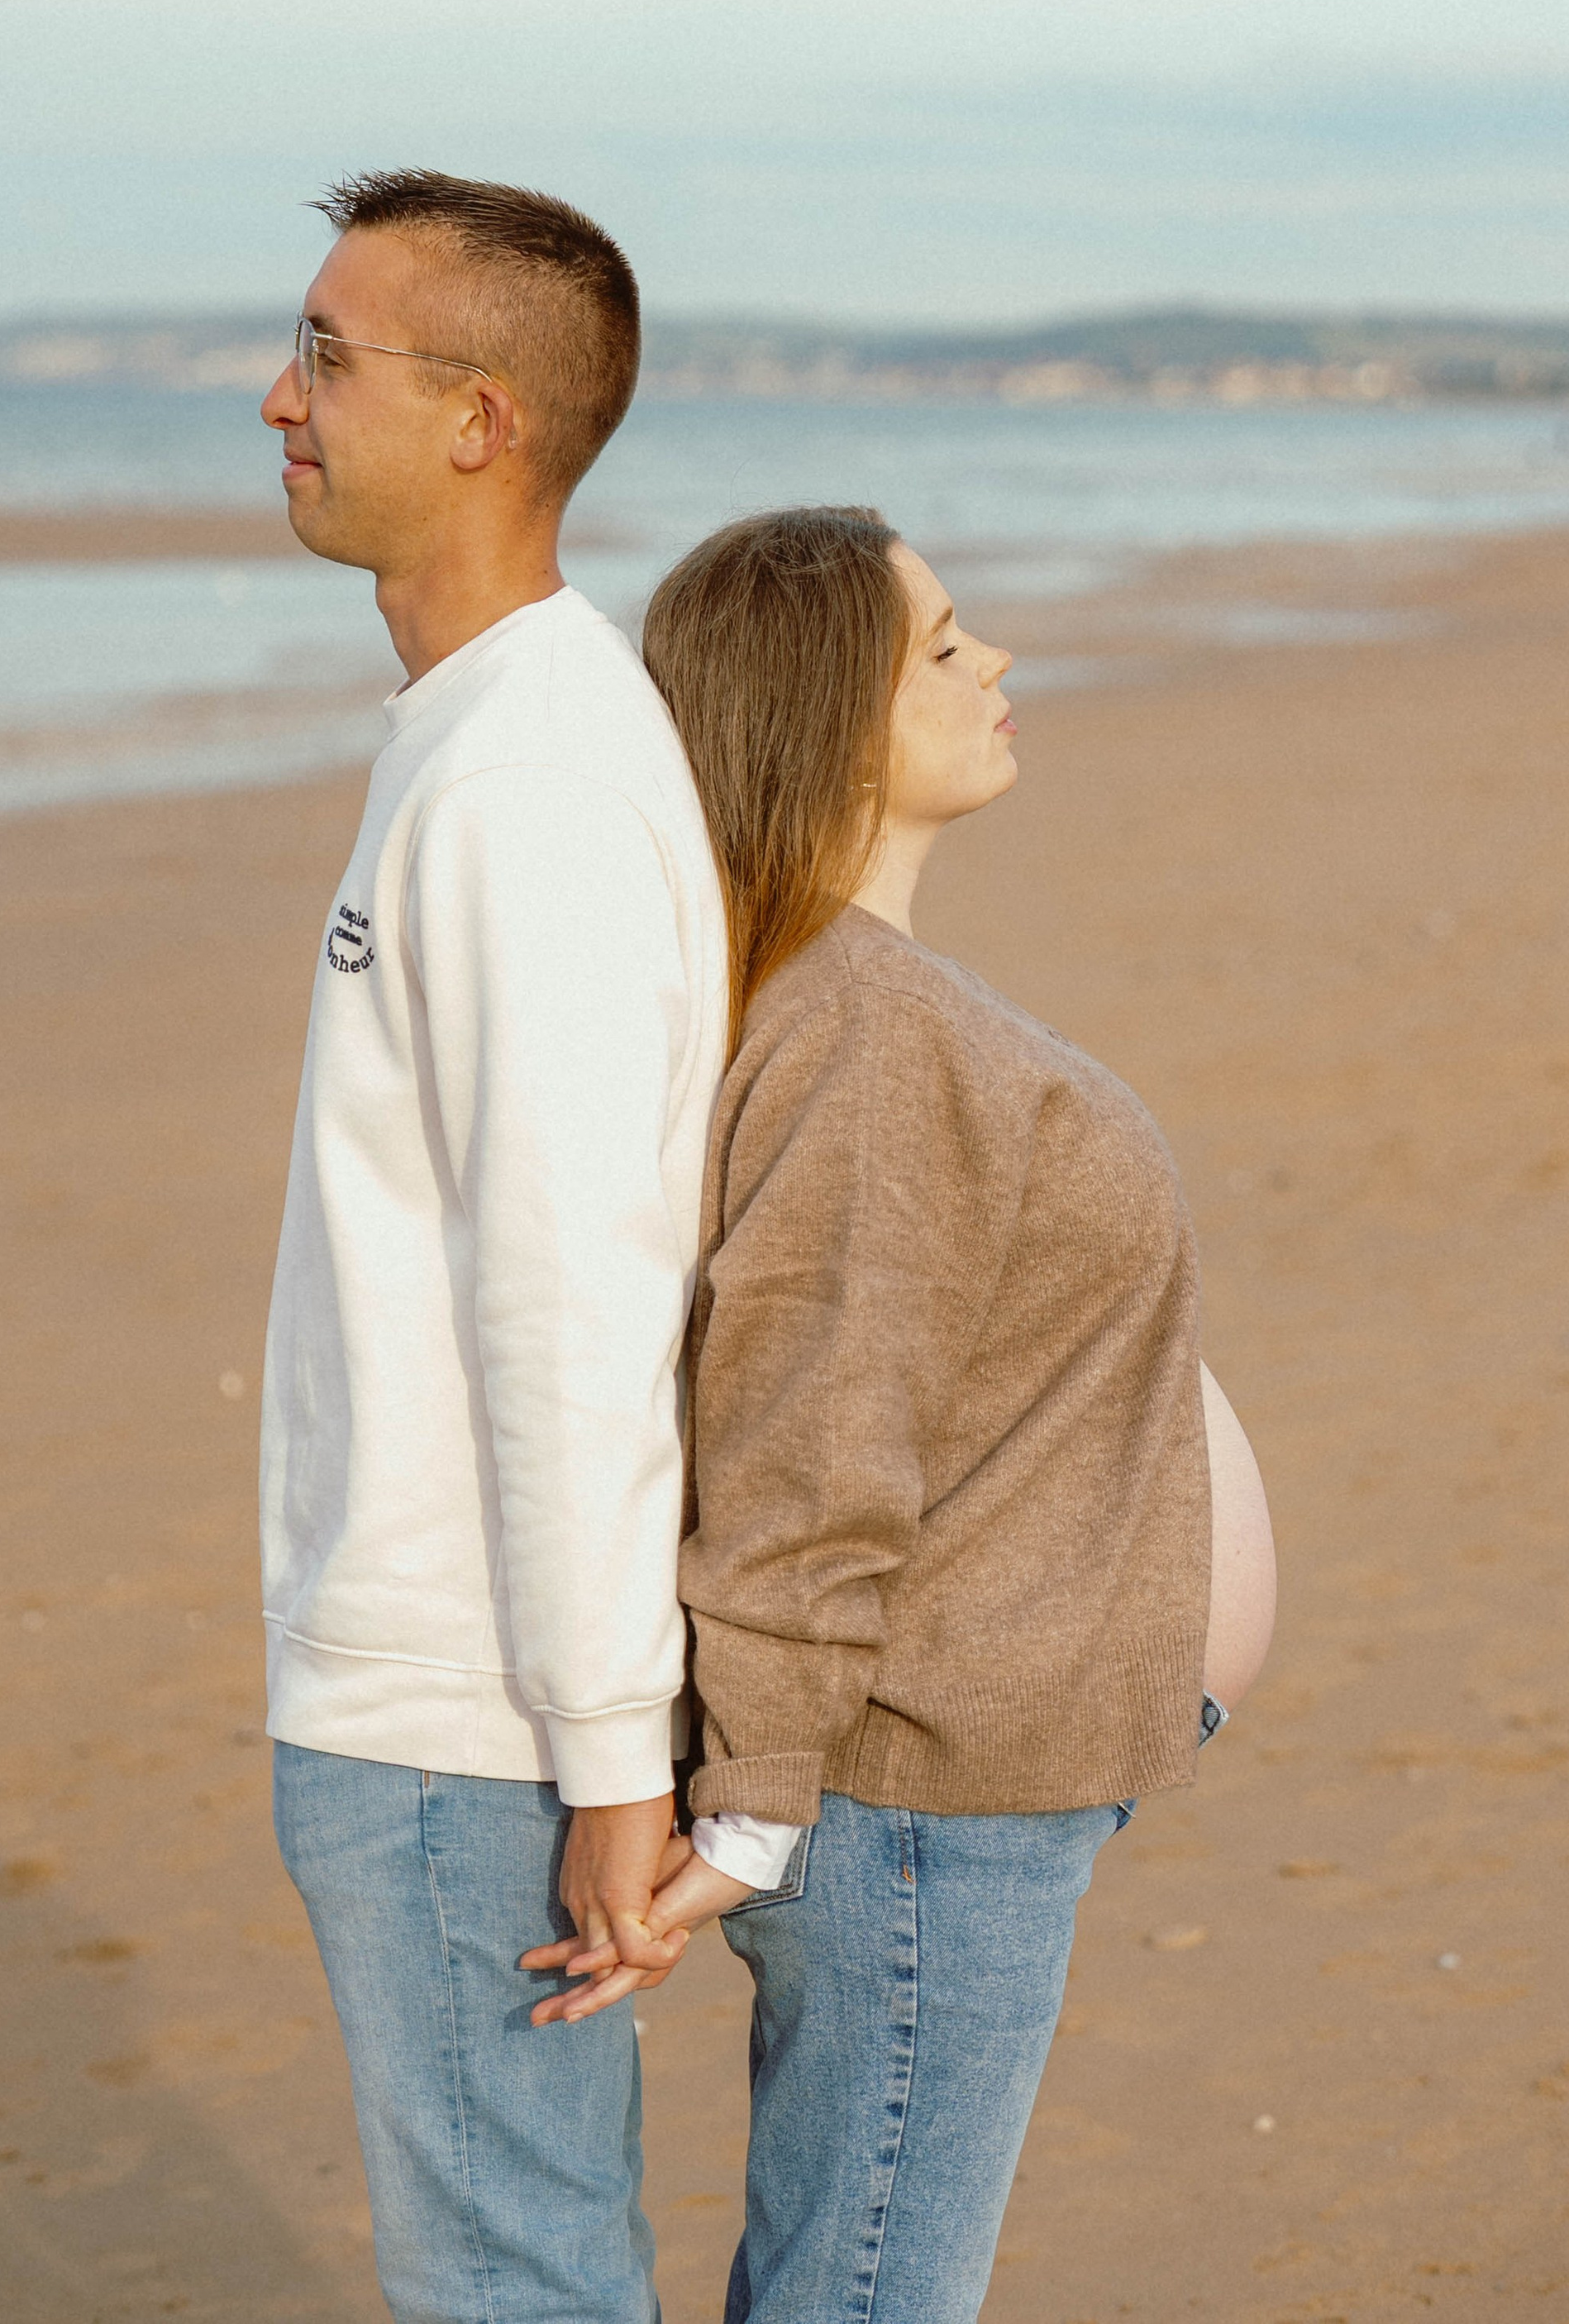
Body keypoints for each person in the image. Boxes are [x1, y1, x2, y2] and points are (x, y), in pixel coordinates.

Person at [530, 503, 1276, 2324]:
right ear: (819, 717)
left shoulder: (845, 1000)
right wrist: (762, 1807)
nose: (993, 662)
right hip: (910, 1798)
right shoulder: (860, 1031)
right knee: (871, 2292)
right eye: (939, 647)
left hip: (944, 1781)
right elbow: (810, 1428)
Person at [255, 170, 727, 2324]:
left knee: (516, 2285)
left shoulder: (525, 774)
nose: (277, 396)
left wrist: (612, 1753)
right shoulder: (478, 734)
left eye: (330, 357)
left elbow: (575, 1291)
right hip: (459, 1694)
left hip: (464, 1714)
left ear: (480, 421)